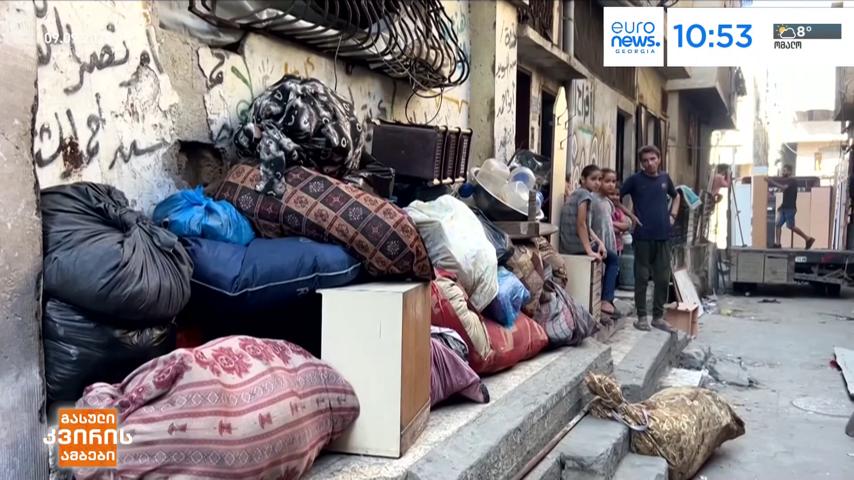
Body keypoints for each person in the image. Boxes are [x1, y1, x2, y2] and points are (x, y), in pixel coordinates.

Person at [619, 145, 680, 332]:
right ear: (641, 163)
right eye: (645, 160)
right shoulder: (635, 180)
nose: (649, 163)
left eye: (653, 159)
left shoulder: (665, 179)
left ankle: (658, 317)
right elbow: (615, 197)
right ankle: (642, 317)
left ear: (659, 159)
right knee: (642, 277)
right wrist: (630, 216)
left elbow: (676, 196)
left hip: (663, 236)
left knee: (662, 278)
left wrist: (673, 215)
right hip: (643, 237)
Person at [559, 165, 616, 314]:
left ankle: (604, 300)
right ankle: (606, 301)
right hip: (574, 246)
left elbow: (586, 226)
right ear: (583, 179)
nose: (597, 183)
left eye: (599, 179)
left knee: (607, 254)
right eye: (593, 179)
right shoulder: (585, 196)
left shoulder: (576, 193)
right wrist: (589, 250)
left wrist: (599, 242)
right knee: (613, 259)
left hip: (569, 243)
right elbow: (581, 224)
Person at [768, 164, 815, 249]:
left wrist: (771, 181)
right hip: (783, 207)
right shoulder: (787, 181)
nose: (783, 172)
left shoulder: (792, 181)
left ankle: (808, 238)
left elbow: (784, 187)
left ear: (790, 172)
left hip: (790, 208)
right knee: (778, 224)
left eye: (785, 170)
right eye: (783, 170)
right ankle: (778, 244)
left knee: (790, 226)